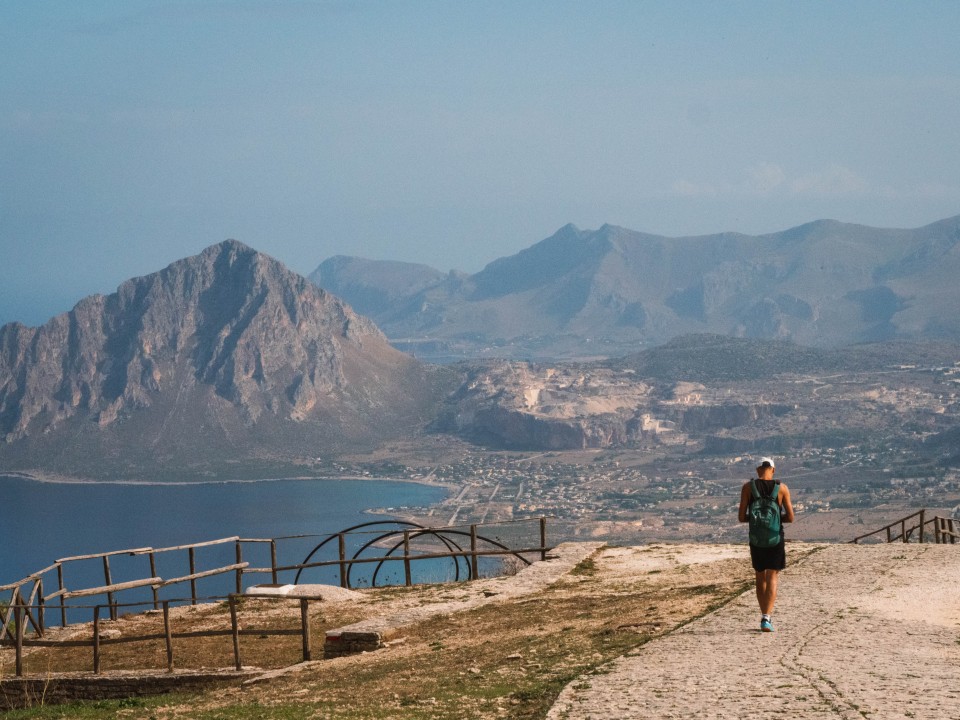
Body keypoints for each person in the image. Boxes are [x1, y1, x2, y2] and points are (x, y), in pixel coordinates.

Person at [738, 456, 794, 632]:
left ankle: (762, 615)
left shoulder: (748, 487)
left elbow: (741, 517)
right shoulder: (781, 488)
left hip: (756, 539)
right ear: (773, 470)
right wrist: (777, 520)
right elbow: (791, 517)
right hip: (775, 538)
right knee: (773, 576)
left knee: (760, 575)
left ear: (757, 470)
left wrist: (756, 521)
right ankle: (767, 618)